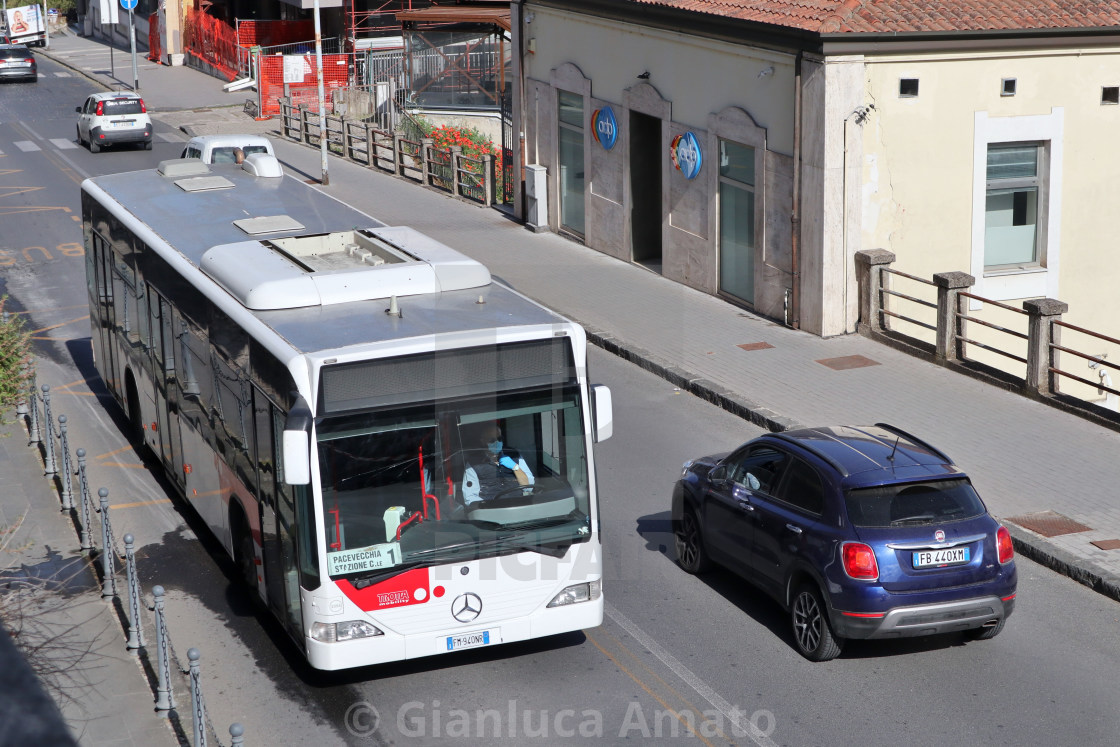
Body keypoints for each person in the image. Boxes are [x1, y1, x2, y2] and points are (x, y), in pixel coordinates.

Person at [461, 424, 534, 505]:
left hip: (518, 506)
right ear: (483, 441)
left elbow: (529, 487)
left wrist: (515, 467)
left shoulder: (514, 455)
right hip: (492, 510)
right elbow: (470, 497)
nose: (497, 442)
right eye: (492, 440)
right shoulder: (473, 464)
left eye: (499, 439)